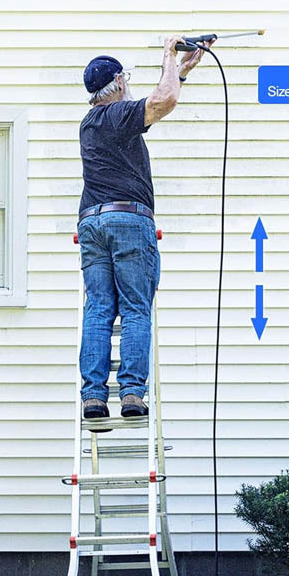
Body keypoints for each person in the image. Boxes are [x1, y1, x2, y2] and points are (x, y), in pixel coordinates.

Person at [77, 34, 214, 422]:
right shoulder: (117, 115)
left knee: (100, 308)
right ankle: (132, 393)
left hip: (92, 222)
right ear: (119, 82)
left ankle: (93, 397)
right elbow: (163, 102)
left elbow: (158, 101)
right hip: (127, 220)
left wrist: (181, 71)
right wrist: (169, 55)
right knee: (135, 307)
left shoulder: (92, 123)